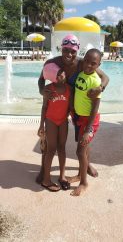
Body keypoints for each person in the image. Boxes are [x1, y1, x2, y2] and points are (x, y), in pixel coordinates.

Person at [37, 34, 109, 183]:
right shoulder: (53, 62)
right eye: (66, 50)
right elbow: (41, 79)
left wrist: (100, 88)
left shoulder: (83, 63)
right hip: (59, 106)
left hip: (77, 108)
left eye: (73, 51)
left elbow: (105, 77)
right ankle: (43, 169)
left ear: (77, 51)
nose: (69, 54)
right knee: (49, 141)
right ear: (61, 49)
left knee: (82, 141)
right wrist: (41, 90)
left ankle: (86, 165)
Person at [70, 48, 102, 196]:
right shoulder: (82, 73)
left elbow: (95, 108)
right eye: (87, 61)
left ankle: (84, 183)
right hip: (80, 117)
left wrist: (88, 130)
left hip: (90, 121)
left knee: (80, 151)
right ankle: (80, 174)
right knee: (84, 149)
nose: (89, 65)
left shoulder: (95, 81)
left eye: (93, 63)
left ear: (98, 65)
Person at [38, 62, 71, 191]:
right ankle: (46, 180)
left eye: (62, 72)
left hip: (63, 121)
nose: (62, 74)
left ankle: (62, 176)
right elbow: (44, 107)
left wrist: (68, 116)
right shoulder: (48, 89)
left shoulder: (69, 89)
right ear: (53, 78)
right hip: (50, 121)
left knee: (62, 148)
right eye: (58, 74)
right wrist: (41, 125)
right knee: (51, 149)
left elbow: (70, 107)